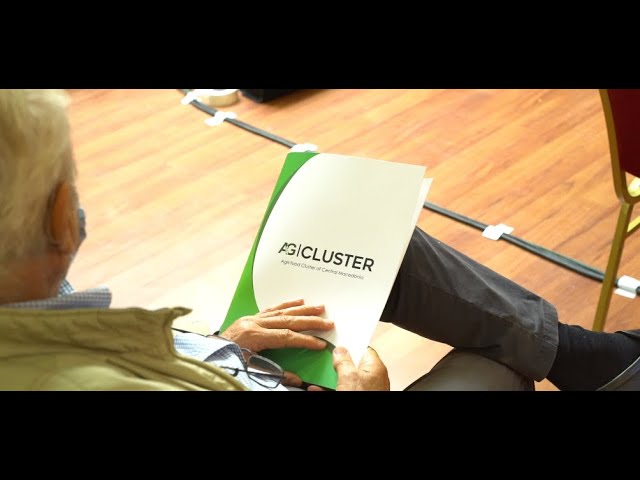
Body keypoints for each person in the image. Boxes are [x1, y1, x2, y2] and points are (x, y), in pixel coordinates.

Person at [1, 89, 639, 391]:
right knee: (492, 369)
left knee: (367, 238)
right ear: (61, 216)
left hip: (232, 368)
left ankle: (592, 359)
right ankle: (596, 362)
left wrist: (219, 347)